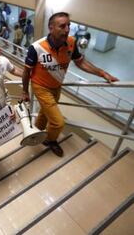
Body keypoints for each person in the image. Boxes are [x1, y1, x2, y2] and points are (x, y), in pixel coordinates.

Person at [22, 12, 119, 157]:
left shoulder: (71, 42)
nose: (67, 29)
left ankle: (37, 129)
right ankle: (50, 140)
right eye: (62, 26)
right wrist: (24, 91)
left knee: (45, 111)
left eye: (69, 25)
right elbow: (26, 72)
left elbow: (80, 61)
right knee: (58, 123)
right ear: (51, 28)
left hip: (57, 85)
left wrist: (102, 73)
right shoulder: (36, 48)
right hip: (40, 86)